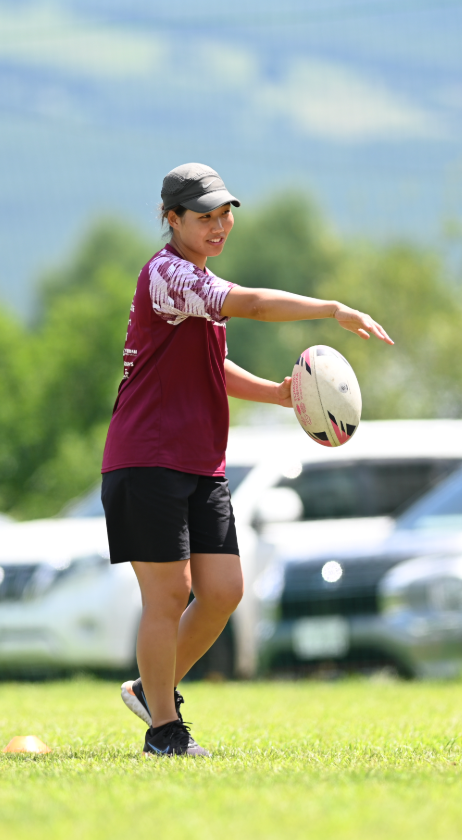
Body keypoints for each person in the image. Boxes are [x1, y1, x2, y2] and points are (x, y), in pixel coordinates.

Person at [103, 163, 393, 757]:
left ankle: (148, 688)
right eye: (204, 216)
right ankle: (164, 731)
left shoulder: (199, 284)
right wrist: (332, 308)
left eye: (225, 212)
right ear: (171, 219)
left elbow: (213, 370)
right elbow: (254, 306)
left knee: (224, 591)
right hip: (147, 457)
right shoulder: (168, 276)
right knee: (168, 596)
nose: (219, 224)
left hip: (199, 462)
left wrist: (279, 393)